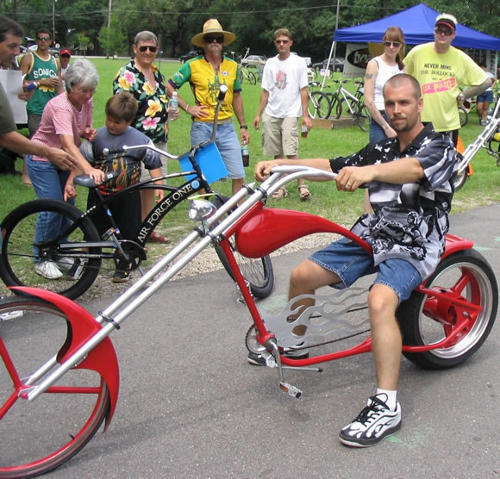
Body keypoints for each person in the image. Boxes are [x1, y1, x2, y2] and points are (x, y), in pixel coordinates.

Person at [252, 73, 457, 447]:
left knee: (379, 300)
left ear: (419, 104)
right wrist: (281, 163)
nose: (396, 110)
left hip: (415, 244)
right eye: (390, 104)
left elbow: (413, 170)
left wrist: (369, 173)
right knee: (301, 274)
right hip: (373, 233)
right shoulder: (383, 148)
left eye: (403, 103)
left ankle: (387, 404)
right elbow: (333, 165)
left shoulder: (439, 146)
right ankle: (294, 346)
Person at [27, 58, 105, 280]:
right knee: (52, 206)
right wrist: (88, 168)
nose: (88, 95)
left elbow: (78, 133)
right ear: (70, 86)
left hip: (65, 160)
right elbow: (67, 144)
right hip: (43, 159)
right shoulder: (60, 107)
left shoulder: (85, 102)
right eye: (83, 91)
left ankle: (59, 249)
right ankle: (41, 257)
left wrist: (86, 132)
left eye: (91, 90)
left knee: (67, 206)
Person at [78, 92, 163, 283]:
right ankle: (89, 262)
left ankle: (123, 265)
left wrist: (159, 186)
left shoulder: (140, 140)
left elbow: (153, 163)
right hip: (100, 196)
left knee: (128, 231)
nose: (111, 125)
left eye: (117, 122)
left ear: (129, 121)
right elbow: (82, 161)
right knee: (93, 229)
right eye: (109, 119)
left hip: (129, 197)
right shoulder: (96, 137)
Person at [167, 18, 250, 196]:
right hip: (202, 126)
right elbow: (169, 86)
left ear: (223, 42)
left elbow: (236, 96)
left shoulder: (233, 66)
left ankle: (236, 214)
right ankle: (206, 216)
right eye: (210, 38)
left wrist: (243, 126)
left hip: (227, 127)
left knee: (238, 173)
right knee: (202, 176)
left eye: (218, 38)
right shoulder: (192, 65)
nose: (214, 42)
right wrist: (188, 107)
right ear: (203, 43)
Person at [113, 30, 172, 244]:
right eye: (143, 48)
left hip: (158, 140)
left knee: (153, 186)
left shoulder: (156, 73)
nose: (148, 52)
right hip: (136, 141)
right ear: (135, 49)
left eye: (152, 48)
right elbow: (120, 110)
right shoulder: (127, 74)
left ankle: (147, 229)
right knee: (136, 189)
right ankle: (133, 235)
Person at [0, 16, 75, 172]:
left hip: (50, 109)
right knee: (36, 139)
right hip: (35, 108)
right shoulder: (29, 58)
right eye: (12, 46)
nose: (16, 52)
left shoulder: (55, 61)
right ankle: (28, 175)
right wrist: (39, 83)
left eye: (18, 47)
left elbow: (59, 86)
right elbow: (6, 136)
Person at [404, 13, 491, 145]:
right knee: (416, 164)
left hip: (447, 125)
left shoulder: (460, 58)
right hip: (418, 122)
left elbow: (486, 82)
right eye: (440, 30)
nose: (443, 34)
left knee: (446, 164)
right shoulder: (417, 52)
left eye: (447, 31)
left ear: (453, 35)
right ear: (434, 32)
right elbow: (403, 76)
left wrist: (464, 95)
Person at [253, 28, 312, 200]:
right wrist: (258, 114)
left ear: (290, 43)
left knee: (291, 151)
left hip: (291, 112)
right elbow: (265, 91)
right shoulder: (270, 63)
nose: (281, 44)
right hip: (272, 112)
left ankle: (302, 185)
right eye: (278, 41)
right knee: (277, 153)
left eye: (285, 41)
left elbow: (304, 90)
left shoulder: (298, 62)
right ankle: (281, 186)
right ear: (275, 43)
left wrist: (306, 115)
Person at [364, 27, 405, 144]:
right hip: (380, 118)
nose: (391, 47)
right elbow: (368, 100)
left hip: (399, 118)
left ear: (401, 45)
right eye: (388, 43)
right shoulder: (374, 64)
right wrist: (386, 127)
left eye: (396, 44)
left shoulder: (402, 68)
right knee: (379, 159)